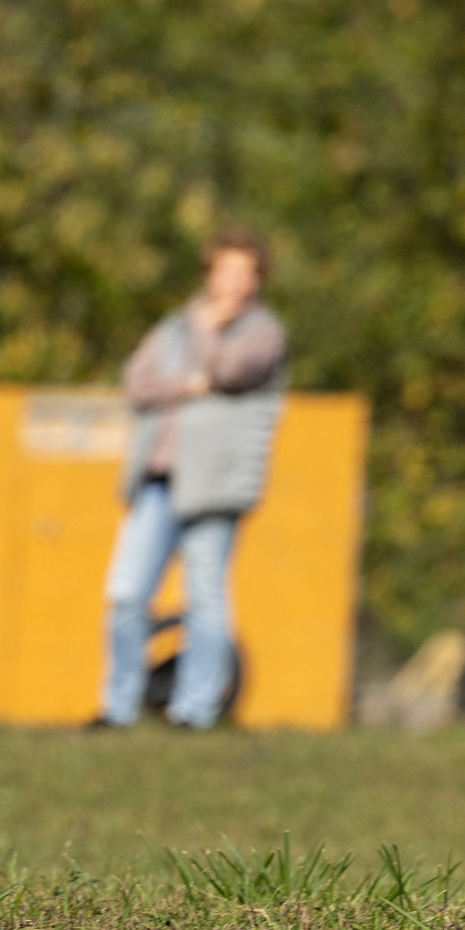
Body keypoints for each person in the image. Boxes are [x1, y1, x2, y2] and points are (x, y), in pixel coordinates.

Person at [95, 229, 289, 730]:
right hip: (158, 482)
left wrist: (208, 332)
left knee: (206, 599)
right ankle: (118, 708)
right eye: (227, 271)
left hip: (215, 488)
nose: (235, 284)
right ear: (210, 273)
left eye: (246, 274)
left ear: (258, 280)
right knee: (127, 595)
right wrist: (192, 383)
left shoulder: (262, 332)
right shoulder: (173, 328)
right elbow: (138, 383)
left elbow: (230, 370)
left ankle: (194, 711)